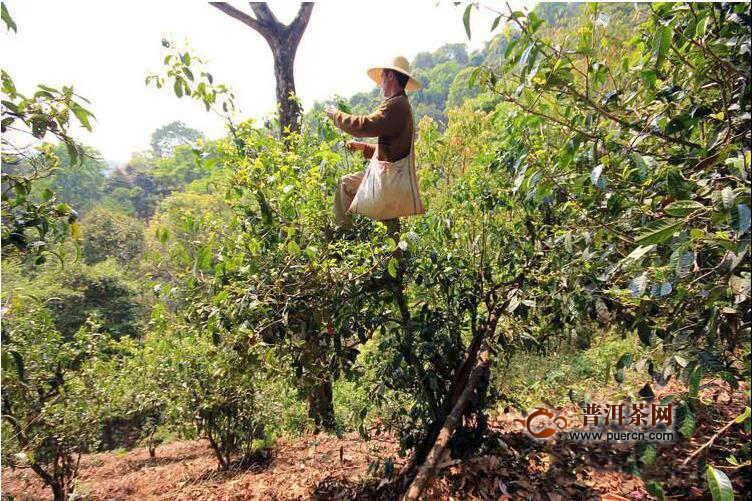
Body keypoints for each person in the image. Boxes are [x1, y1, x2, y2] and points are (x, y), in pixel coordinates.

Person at [325, 56, 423, 237]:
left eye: (382, 77)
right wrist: (364, 148)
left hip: (388, 181)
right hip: (393, 178)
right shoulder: (401, 105)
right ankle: (397, 260)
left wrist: (336, 115)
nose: (381, 84)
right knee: (390, 224)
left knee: (346, 184)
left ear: (391, 76)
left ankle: (342, 240)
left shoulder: (396, 106)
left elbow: (364, 125)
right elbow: (392, 149)